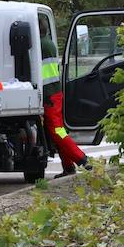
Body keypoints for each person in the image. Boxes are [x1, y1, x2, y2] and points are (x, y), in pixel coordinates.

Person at [39, 35, 89, 178]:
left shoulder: (41, 45)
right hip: (54, 93)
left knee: (57, 131)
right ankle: (68, 166)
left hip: (49, 95)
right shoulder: (48, 43)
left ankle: (81, 159)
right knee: (59, 131)